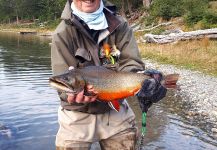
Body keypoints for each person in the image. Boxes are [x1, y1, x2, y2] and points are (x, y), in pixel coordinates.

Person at [51, 0, 165, 149]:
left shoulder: (119, 24)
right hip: (76, 115)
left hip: (116, 111)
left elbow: (132, 63)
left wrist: (146, 83)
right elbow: (62, 84)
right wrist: (69, 95)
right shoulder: (62, 33)